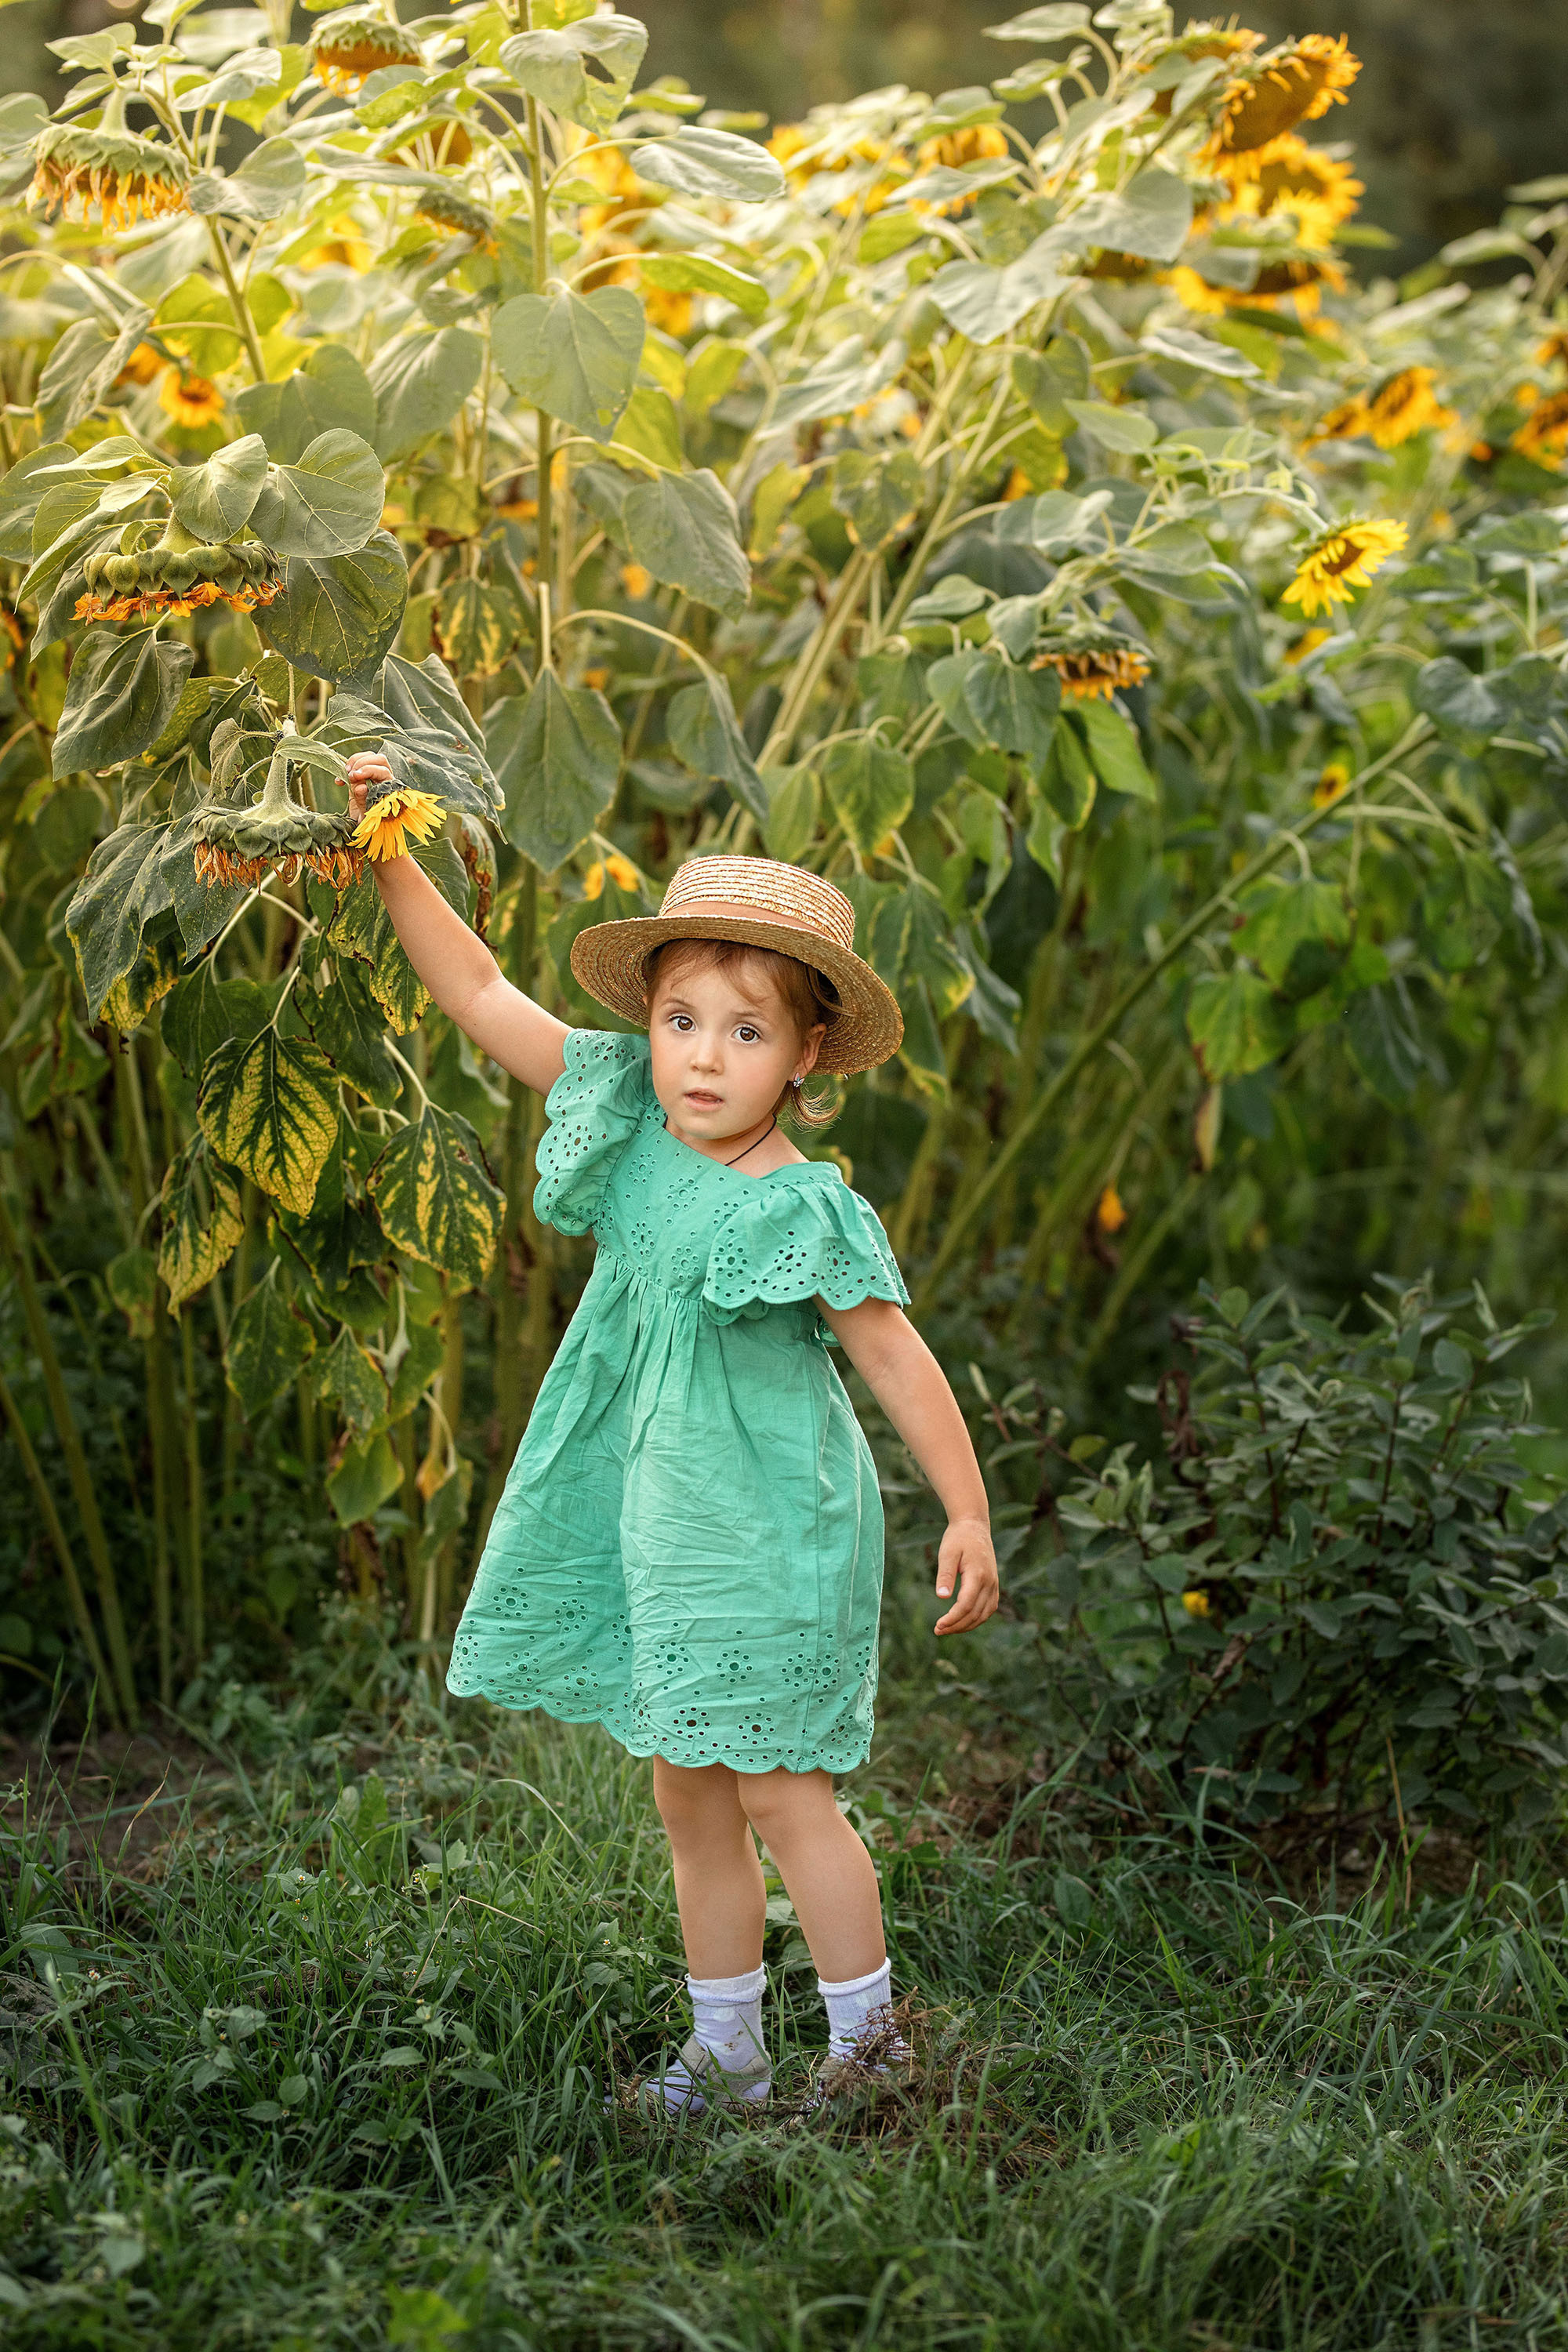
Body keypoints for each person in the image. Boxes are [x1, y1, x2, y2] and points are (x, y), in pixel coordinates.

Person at [345, 754, 1000, 2114]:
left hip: (766, 1521)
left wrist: (969, 1508)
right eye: (682, 1019)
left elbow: (892, 1350)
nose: (705, 1057)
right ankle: (729, 2050)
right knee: (688, 1791)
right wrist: (388, 849)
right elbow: (478, 993)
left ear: (809, 1055)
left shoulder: (802, 1204)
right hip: (653, 1508)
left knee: (779, 1789)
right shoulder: (630, 1118)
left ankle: (874, 2056)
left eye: (747, 1033)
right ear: (648, 1024)